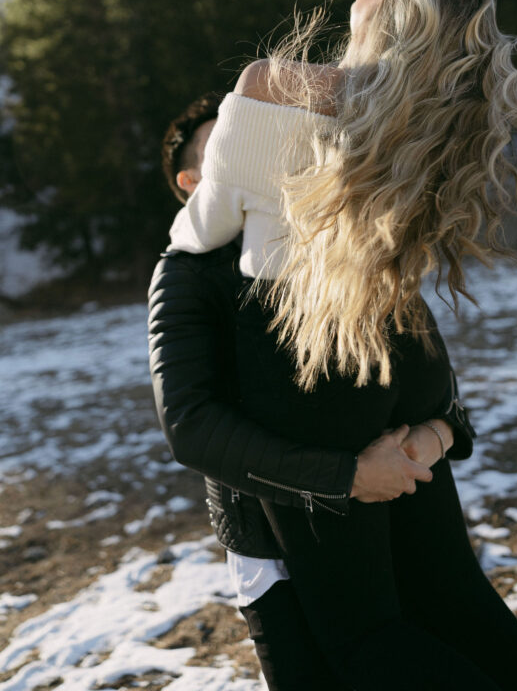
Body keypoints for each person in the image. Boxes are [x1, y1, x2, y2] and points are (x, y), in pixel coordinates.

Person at [168, 0, 517, 690]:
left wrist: (207, 211)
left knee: (364, 635)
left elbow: (206, 228)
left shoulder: (275, 84)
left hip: (300, 351)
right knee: (457, 598)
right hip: (390, 346)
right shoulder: (432, 121)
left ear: (399, 14)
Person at [149, 92, 477, 690]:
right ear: (194, 181)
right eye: (226, 150)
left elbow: (425, 371)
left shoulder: (335, 247)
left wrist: (440, 433)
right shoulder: (186, 274)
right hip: (271, 542)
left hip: (400, 511)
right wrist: (344, 476)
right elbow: (191, 425)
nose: (251, 158)